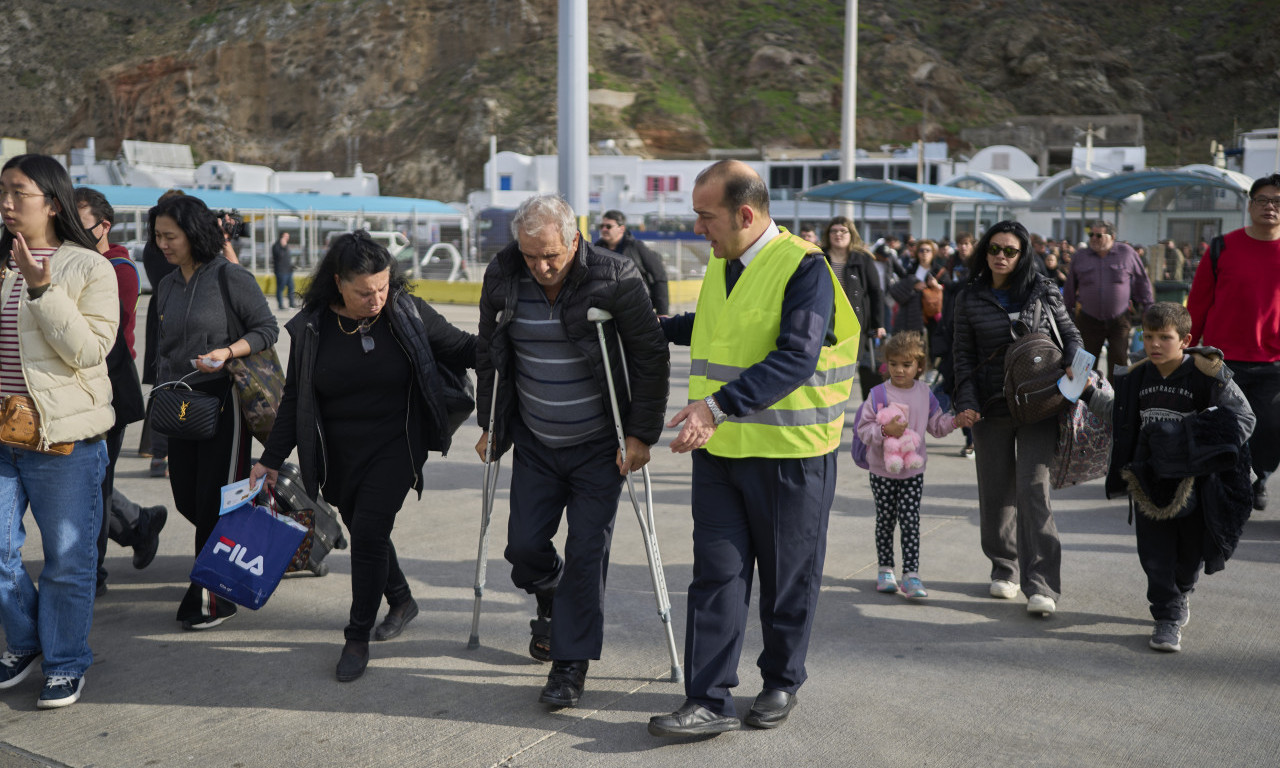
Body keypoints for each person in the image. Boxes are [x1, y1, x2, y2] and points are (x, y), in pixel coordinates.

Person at [648, 160, 858, 737]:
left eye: (705, 216)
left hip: (791, 453)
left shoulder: (804, 268)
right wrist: (656, 324)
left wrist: (713, 408)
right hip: (721, 453)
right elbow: (721, 328)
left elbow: (796, 355)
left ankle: (781, 680)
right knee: (716, 576)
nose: (698, 229)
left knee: (789, 576)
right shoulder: (725, 261)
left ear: (745, 214)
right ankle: (707, 700)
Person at [251, 232, 476, 682]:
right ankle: (402, 599)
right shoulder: (312, 327)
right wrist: (270, 459)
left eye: (383, 287)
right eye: (363, 292)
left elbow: (466, 347)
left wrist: (520, 344)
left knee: (370, 531)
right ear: (338, 283)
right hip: (337, 454)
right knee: (366, 529)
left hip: (397, 445)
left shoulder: (407, 313)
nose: (376, 299)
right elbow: (296, 397)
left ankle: (357, 636)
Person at [475, 195, 668, 708]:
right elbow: (489, 351)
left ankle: (569, 664)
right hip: (537, 440)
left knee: (587, 553)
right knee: (522, 547)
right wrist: (490, 424)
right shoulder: (503, 274)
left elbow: (650, 355)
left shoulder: (616, 274)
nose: (539, 267)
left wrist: (641, 434)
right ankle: (551, 592)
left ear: (575, 240)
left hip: (599, 446)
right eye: (530, 255)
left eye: (551, 257)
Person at [0, 154, 118, 708]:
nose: (6, 203)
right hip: (2, 436)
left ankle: (66, 660)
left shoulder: (89, 267)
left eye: (17, 193)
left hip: (62, 440)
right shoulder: (1, 262)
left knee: (68, 560)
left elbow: (90, 351)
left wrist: (44, 290)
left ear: (51, 201)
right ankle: (26, 642)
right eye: (2, 192)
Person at [1080, 303, 1254, 652]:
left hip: (1196, 483)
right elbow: (1121, 415)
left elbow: (1244, 420)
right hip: (1149, 480)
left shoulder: (1208, 374)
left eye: (1165, 337)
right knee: (1155, 553)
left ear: (1186, 339)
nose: (1154, 344)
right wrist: (1086, 392)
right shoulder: (1137, 377)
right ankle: (1167, 615)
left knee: (1190, 553)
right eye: (1148, 336)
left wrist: (1188, 438)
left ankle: (1182, 592)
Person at [153, 195, 278, 631]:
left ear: (194, 234)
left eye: (171, 236)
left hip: (225, 402)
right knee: (188, 497)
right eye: (158, 236)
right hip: (180, 404)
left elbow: (267, 329)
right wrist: (156, 425)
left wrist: (226, 352)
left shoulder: (229, 277)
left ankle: (213, 597)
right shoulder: (167, 286)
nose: (163, 244)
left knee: (215, 499)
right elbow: (161, 353)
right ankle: (254, 531)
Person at [951, 220, 1082, 617]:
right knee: (996, 491)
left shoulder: (1044, 290)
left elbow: (1070, 334)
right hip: (991, 406)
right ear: (983, 253)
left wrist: (1077, 365)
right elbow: (963, 358)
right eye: (994, 249)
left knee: (1032, 488)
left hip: (1040, 404)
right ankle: (1003, 567)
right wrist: (966, 403)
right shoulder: (969, 297)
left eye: (1010, 250)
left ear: (1024, 254)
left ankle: (1041, 583)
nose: (1001, 257)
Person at [73, 188, 167, 595]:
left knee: (93, 484)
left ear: (103, 225)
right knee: (84, 483)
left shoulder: (118, 270)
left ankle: (92, 574)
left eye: (78, 223)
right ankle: (138, 523)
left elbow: (101, 336)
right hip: (73, 388)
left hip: (106, 388)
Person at [855, 331, 976, 598]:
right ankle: (886, 569)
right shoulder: (877, 394)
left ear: (919, 366)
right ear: (887, 363)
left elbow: (935, 425)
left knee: (910, 521)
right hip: (881, 470)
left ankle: (911, 574)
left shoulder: (924, 393)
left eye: (907, 364)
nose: (899, 370)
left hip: (913, 471)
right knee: (885, 521)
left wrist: (956, 421)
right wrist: (885, 431)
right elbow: (864, 431)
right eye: (894, 363)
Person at [1187, 173, 1280, 512]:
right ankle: (1234, 481)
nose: (1270, 206)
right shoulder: (1222, 246)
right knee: (1226, 426)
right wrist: (1186, 346)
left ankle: (1261, 474)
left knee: (1270, 427)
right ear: (1250, 205)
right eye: (1263, 200)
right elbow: (1198, 302)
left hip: (1273, 361)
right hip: (1222, 358)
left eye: (1277, 201)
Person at [1064, 219, 1153, 376]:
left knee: (1119, 359)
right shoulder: (1080, 256)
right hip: (1088, 320)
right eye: (1091, 234)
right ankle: (1084, 398)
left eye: (1099, 235)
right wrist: (1065, 313)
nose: (1093, 238)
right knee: (1084, 362)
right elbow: (1070, 286)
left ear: (1112, 237)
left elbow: (1142, 281)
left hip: (1119, 320)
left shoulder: (1127, 253)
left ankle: (1118, 398)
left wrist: (1148, 307)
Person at [138, 190, 184, 479]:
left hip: (163, 310)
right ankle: (158, 449)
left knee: (163, 382)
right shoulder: (156, 248)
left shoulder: (151, 246)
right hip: (167, 312)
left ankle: (152, 447)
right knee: (165, 380)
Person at [822, 216, 884, 400]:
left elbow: (875, 292)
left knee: (863, 367)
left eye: (843, 231)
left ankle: (870, 411)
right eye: (834, 231)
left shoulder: (862, 259)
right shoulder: (818, 256)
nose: (838, 234)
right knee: (830, 368)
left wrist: (878, 323)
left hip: (856, 323)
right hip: (827, 321)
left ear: (851, 234)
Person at [594, 209, 669, 315]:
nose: (604, 229)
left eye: (609, 226)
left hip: (637, 309)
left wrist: (662, 312)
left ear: (621, 228)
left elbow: (659, 276)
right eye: (602, 226)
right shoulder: (596, 250)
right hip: (606, 310)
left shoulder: (636, 247)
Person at [272, 232, 295, 310]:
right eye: (285, 236)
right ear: (281, 237)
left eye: (288, 236)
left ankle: (292, 303)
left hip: (288, 271)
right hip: (281, 271)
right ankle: (280, 305)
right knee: (280, 288)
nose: (287, 238)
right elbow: (279, 256)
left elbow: (288, 258)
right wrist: (283, 246)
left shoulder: (286, 246)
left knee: (291, 287)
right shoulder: (276, 246)